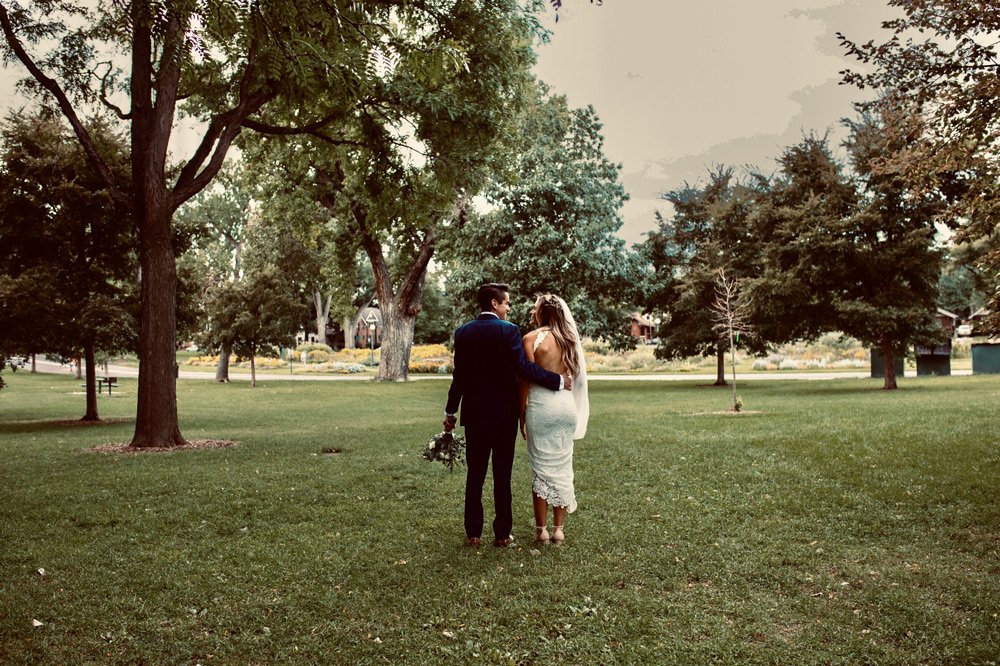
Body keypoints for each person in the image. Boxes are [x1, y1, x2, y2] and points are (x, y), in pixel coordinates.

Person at [444, 283, 573, 548]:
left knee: (475, 475)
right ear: (494, 303)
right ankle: (502, 535)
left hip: (475, 416)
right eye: (506, 303)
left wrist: (450, 412)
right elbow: (524, 368)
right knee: (502, 475)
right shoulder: (509, 331)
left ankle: (473, 534)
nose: (509, 308)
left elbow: (460, 377)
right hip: (504, 416)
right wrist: (558, 381)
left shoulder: (463, 332)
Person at [519, 294, 589, 544]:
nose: (532, 311)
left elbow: (526, 379)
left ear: (542, 312)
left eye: (534, 307)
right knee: (562, 467)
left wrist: (521, 414)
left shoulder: (531, 339)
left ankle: (542, 530)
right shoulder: (570, 340)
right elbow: (576, 375)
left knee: (540, 470)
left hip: (542, 406)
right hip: (566, 407)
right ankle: (559, 529)